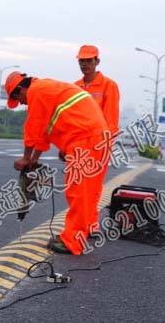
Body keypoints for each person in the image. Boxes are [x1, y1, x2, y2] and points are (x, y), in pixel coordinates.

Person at [5, 71, 109, 255]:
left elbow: (33, 129)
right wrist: (35, 160)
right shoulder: (47, 88)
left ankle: (71, 241)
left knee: (78, 191)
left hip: (85, 139)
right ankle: (82, 232)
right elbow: (44, 134)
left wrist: (26, 158)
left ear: (21, 89)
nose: (21, 103)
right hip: (94, 137)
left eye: (18, 98)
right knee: (88, 191)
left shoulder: (36, 91)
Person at [73, 44, 119, 235]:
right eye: (82, 60)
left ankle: (90, 225)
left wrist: (105, 146)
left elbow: (111, 120)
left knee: (92, 188)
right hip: (78, 146)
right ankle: (81, 225)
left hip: (99, 145)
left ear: (97, 61)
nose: (85, 64)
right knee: (76, 188)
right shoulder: (75, 87)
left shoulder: (109, 86)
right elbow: (71, 119)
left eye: (89, 60)